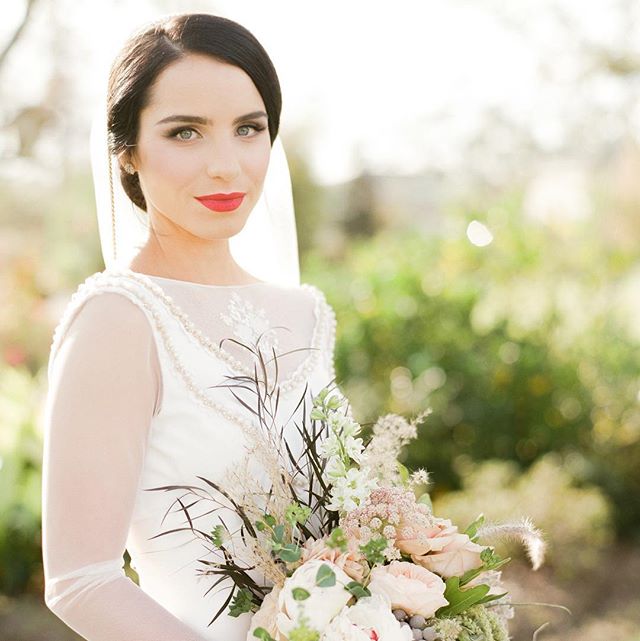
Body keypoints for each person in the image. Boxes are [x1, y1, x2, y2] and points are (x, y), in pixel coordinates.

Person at [41, 13, 343, 641]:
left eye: (248, 129)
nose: (227, 166)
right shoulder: (118, 320)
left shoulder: (306, 313)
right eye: (185, 133)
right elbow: (81, 579)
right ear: (127, 151)